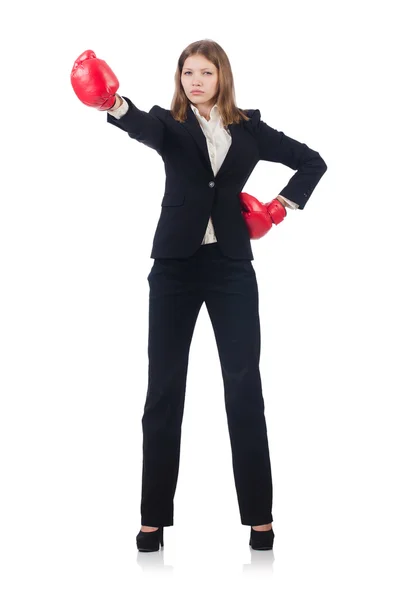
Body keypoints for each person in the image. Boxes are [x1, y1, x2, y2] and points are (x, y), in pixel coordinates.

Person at [71, 39, 327, 552]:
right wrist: (110, 104)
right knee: (163, 391)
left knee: (244, 391)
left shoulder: (250, 129)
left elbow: (312, 162)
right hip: (174, 270)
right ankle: (152, 518)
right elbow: (137, 122)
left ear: (222, 77)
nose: (194, 80)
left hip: (231, 268)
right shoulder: (170, 125)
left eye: (204, 72)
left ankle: (260, 516)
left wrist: (279, 208)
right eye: (187, 72)